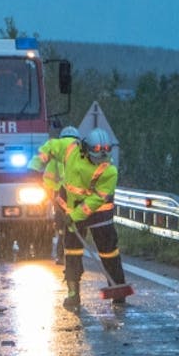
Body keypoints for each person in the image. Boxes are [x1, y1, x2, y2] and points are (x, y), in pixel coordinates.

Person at [56, 127, 125, 310]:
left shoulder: (109, 171)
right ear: (86, 149)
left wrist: (75, 216)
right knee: (72, 252)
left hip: (98, 213)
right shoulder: (71, 150)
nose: (100, 161)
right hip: (69, 210)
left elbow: (95, 200)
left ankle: (118, 290)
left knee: (109, 252)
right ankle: (73, 293)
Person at [30, 125, 83, 256]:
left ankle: (61, 251)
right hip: (77, 195)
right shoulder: (83, 148)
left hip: (57, 194)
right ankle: (71, 255)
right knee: (74, 224)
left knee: (61, 223)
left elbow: (41, 163)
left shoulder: (56, 145)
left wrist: (32, 173)